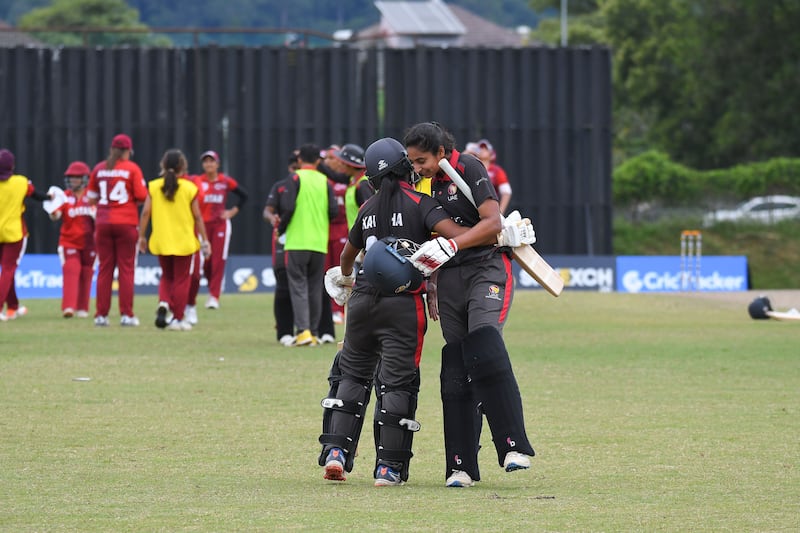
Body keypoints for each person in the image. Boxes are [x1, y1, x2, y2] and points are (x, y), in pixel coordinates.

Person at [318, 137, 469, 486]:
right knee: (398, 383)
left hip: (362, 302)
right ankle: (388, 468)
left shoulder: (367, 208)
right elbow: (453, 237)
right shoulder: (422, 202)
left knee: (353, 375)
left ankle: (338, 452)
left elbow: (345, 257)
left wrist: (344, 280)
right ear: (406, 167)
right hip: (403, 306)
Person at [403, 122, 536, 488]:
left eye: (423, 161)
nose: (418, 169)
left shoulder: (470, 167)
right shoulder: (423, 183)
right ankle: (460, 465)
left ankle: (512, 445)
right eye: (412, 163)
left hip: (485, 268)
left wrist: (454, 246)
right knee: (457, 363)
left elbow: (492, 223)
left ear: (441, 152)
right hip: (448, 279)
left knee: (484, 343)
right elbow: (429, 235)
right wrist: (430, 281)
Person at [138, 149, 210, 331]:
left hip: (162, 239)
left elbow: (146, 212)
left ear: (163, 165)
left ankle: (163, 302)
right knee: (181, 280)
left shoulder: (154, 186)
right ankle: (178, 318)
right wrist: (205, 240)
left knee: (167, 276)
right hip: (184, 241)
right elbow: (198, 217)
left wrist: (141, 236)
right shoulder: (189, 188)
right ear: (182, 167)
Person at [277, 143, 338, 346]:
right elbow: (333, 211)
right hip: (319, 241)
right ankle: (313, 331)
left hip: (297, 240)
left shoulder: (295, 178)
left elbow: (288, 206)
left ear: (300, 160)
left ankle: (302, 331)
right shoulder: (325, 181)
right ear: (318, 161)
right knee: (314, 287)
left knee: (298, 286)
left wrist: (282, 229)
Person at [86, 133, 148, 327]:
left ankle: (101, 315)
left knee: (105, 269)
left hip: (103, 223)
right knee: (126, 269)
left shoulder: (99, 169)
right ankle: (126, 314)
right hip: (126, 222)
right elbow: (142, 195)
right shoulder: (132, 169)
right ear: (128, 151)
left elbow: (91, 198)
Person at [187, 150, 248, 315]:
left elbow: (244, 195)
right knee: (205, 262)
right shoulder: (197, 181)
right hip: (201, 226)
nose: (209, 164)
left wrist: (232, 211)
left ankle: (214, 296)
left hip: (220, 225)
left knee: (218, 260)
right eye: (206, 162)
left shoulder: (225, 181)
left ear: (217, 164)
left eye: (211, 161)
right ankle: (211, 288)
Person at [0, 149, 50, 321]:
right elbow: (36, 195)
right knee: (8, 270)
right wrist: (50, 197)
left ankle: (13, 306)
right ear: (12, 166)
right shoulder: (21, 182)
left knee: (7, 271)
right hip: (14, 233)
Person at [327, 143, 370, 325]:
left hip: (364, 245)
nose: (338, 164)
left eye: (341, 161)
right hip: (357, 242)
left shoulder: (363, 185)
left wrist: (364, 245)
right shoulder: (355, 183)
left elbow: (370, 213)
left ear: (349, 165)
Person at [49, 161, 96, 318]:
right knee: (71, 270)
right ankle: (68, 307)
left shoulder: (92, 196)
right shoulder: (64, 196)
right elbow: (56, 214)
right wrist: (53, 213)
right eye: (71, 178)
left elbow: (102, 215)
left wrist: (97, 215)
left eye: (77, 178)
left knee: (87, 273)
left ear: (84, 179)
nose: (73, 181)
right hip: (69, 241)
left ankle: (83, 308)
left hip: (91, 243)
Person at [263, 150, 299, 345]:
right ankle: (284, 331)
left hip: (303, 240)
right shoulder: (280, 187)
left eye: (298, 167)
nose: (295, 171)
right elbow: (267, 210)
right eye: (293, 167)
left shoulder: (307, 185)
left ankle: (306, 329)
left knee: (304, 287)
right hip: (282, 240)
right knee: (283, 284)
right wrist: (272, 218)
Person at [475, 139, 513, 215]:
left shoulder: (496, 171)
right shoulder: (473, 168)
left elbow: (506, 192)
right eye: (480, 148)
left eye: (485, 149)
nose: (482, 150)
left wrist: (500, 212)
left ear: (491, 154)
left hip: (490, 209)